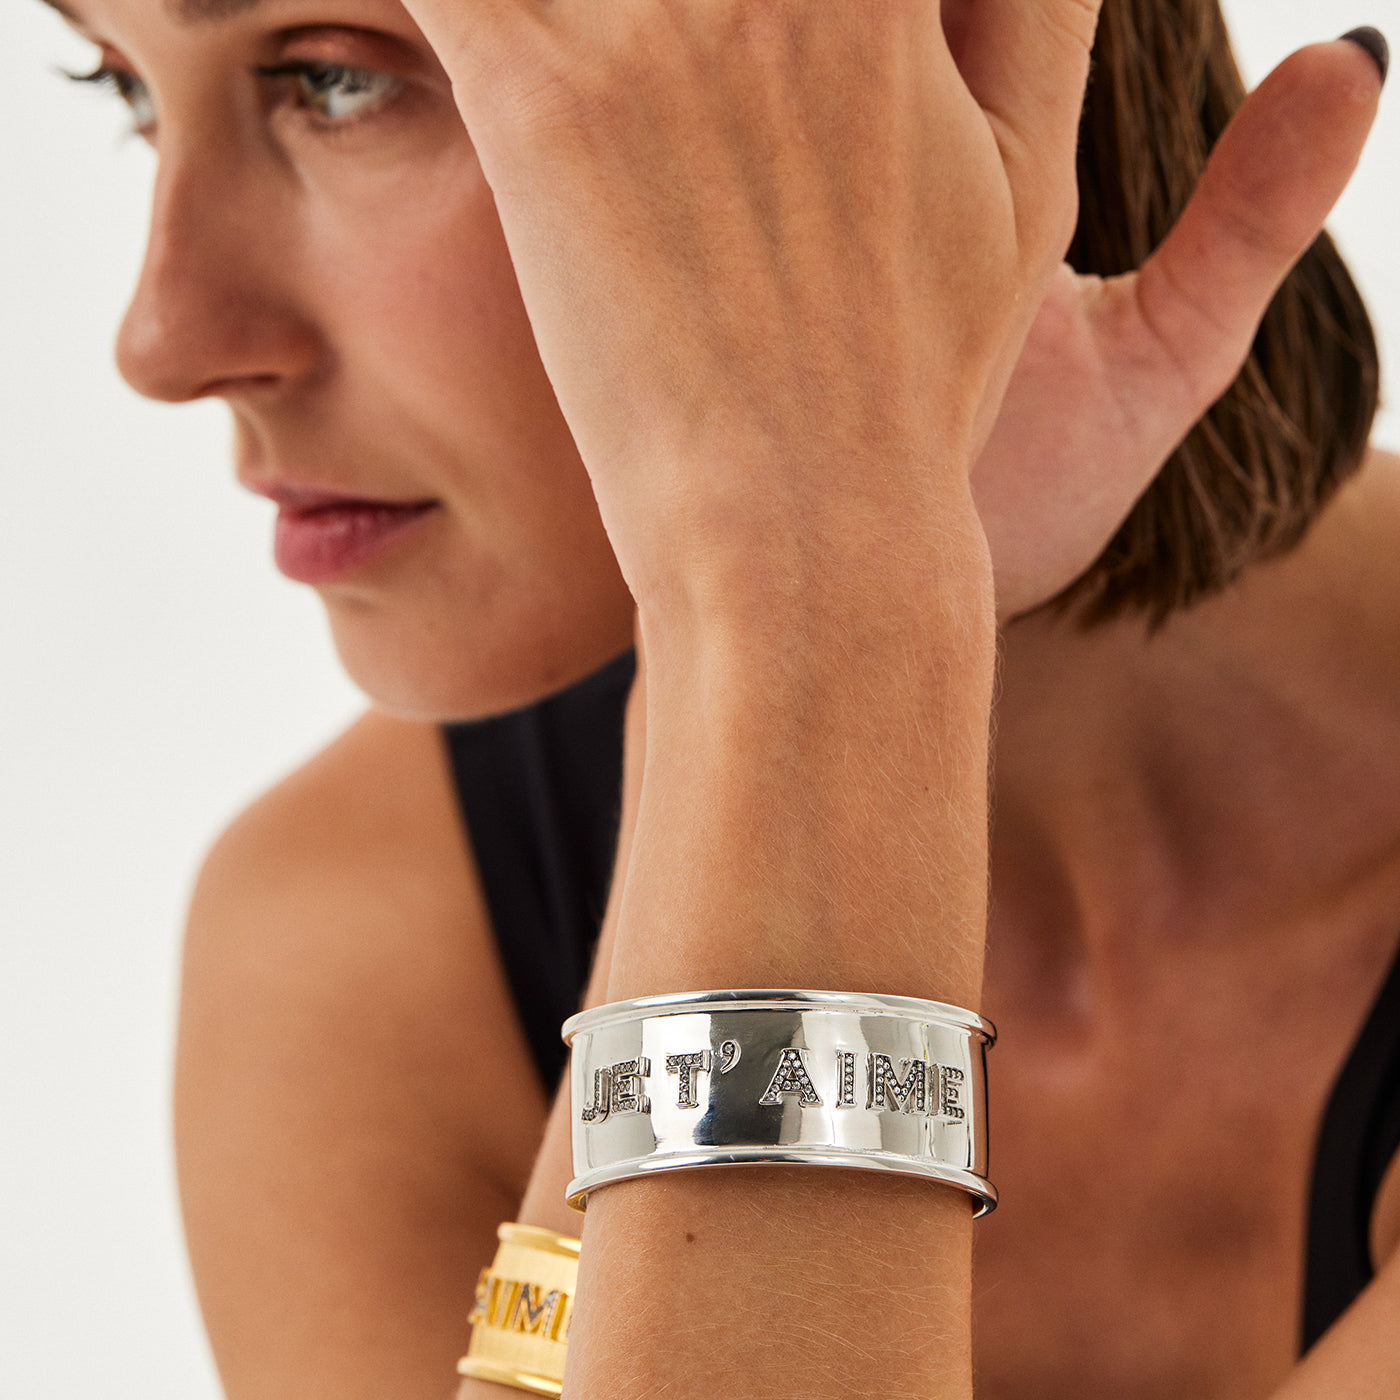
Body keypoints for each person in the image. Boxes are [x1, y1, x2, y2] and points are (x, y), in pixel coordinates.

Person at [39, 0, 1398, 1394]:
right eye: (123, 87)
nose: (164, 338)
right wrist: (801, 616)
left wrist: (800, 592)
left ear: (905, 57)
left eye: (334, 80)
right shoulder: (351, 935)